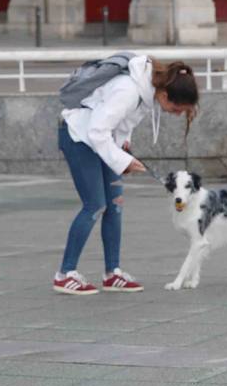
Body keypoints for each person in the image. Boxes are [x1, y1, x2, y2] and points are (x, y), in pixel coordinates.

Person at [55, 57, 200, 295]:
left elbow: (122, 125)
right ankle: (64, 274)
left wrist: (124, 147)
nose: (175, 115)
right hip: (78, 136)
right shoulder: (128, 90)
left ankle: (112, 273)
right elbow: (96, 130)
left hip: (102, 142)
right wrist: (123, 161)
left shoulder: (147, 93)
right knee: (94, 205)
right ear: (164, 95)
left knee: (115, 205)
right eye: (176, 109)